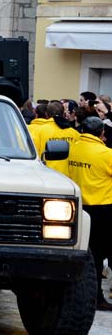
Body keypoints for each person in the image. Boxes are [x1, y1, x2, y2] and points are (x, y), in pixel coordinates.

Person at [66, 117, 112, 311]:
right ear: (101, 133)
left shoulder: (73, 148)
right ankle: (97, 296)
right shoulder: (106, 154)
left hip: (80, 207)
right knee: (99, 254)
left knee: (87, 251)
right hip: (102, 209)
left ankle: (87, 294)